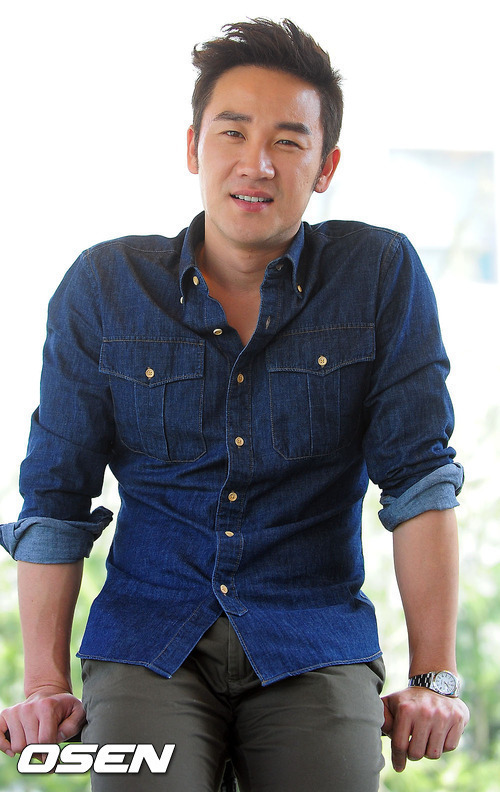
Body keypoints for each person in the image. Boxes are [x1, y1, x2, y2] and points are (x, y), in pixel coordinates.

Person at [0, 17, 469, 792]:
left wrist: (434, 678)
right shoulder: (106, 286)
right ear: (194, 148)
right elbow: (55, 497)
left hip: (312, 637)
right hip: (149, 639)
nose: (257, 163)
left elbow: (419, 480)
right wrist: (45, 683)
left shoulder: (379, 273)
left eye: (289, 140)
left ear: (326, 165)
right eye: (233, 132)